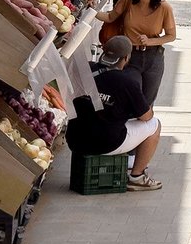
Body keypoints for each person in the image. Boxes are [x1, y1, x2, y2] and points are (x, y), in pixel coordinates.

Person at [66, 36, 163, 190]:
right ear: (126, 58)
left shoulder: (86, 70)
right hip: (107, 144)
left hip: (75, 140)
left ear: (103, 51)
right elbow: (146, 116)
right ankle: (137, 177)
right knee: (154, 125)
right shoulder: (127, 82)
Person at [96, 0, 176, 104]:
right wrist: (93, 11)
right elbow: (110, 17)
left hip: (153, 57)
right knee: (130, 97)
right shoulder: (128, 0)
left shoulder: (164, 8)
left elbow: (171, 36)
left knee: (147, 102)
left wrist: (149, 41)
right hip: (130, 56)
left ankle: (146, 124)